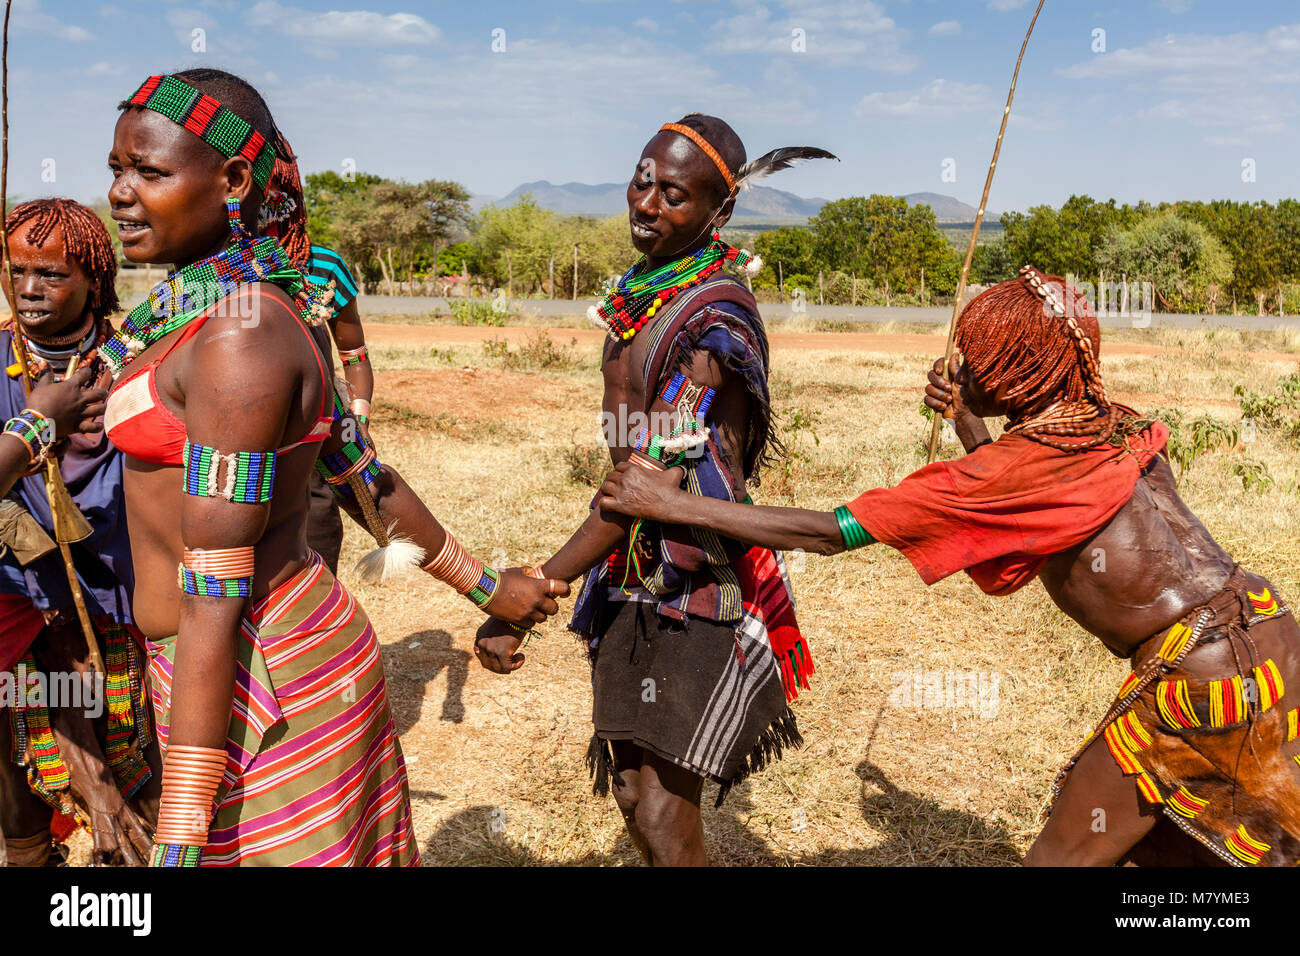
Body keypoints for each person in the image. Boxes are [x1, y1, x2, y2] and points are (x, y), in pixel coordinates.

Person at [598, 267, 1300, 867]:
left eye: (974, 356)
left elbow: (828, 533)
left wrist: (670, 503)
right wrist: (971, 421)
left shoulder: (1013, 469)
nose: (959, 365)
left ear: (1013, 371)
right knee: (1172, 850)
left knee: (1065, 857)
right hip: (1274, 643)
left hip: (1199, 683)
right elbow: (1031, 492)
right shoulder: (1115, 423)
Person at [104, 68, 564, 866]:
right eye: (116, 168)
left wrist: (178, 834)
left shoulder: (237, 337)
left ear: (234, 180)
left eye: (150, 171)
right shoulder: (206, 306)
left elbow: (216, 585)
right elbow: (365, 479)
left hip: (258, 680)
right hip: (224, 668)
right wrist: (488, 586)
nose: (120, 193)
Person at [474, 115, 834, 865]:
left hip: (690, 575)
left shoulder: (715, 322)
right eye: (643, 180)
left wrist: (540, 585)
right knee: (636, 792)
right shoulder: (645, 295)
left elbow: (652, 478)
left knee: (664, 811)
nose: (646, 203)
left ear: (718, 213)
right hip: (634, 571)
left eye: (674, 195)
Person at [0, 199, 157, 866]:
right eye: (16, 270)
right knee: (17, 779)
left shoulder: (139, 362)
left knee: (135, 762)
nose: (30, 288)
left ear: (95, 277)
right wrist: (41, 420)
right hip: (15, 597)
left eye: (52, 274)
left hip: (116, 600)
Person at [259, 138, 369, 575]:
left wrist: (358, 415)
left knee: (314, 543)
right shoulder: (210, 272)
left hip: (314, 441)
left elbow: (354, 355)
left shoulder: (322, 267)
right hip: (231, 443)